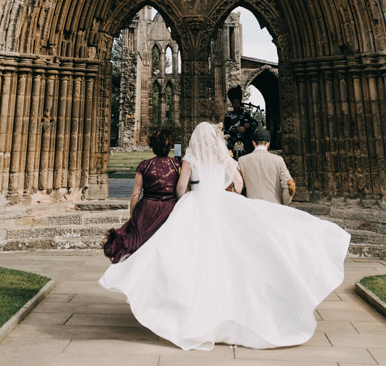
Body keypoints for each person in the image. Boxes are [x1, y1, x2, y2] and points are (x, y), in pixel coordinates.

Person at [100, 121, 350, 351]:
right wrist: (224, 191)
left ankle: (188, 309)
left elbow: (180, 187)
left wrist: (187, 197)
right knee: (229, 258)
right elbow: (239, 183)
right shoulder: (222, 156)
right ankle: (232, 311)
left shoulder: (190, 157)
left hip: (196, 203)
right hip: (220, 202)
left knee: (187, 257)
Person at [103, 128, 180, 263]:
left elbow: (135, 194)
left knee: (141, 247)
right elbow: (181, 190)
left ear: (152, 146)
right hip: (170, 208)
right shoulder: (176, 165)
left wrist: (133, 216)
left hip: (147, 210)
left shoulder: (145, 165)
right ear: (169, 146)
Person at [238, 127, 296, 205]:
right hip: (274, 206)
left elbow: (236, 183)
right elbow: (289, 185)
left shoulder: (242, 160)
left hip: (252, 207)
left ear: (253, 143)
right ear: (268, 144)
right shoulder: (278, 160)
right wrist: (284, 203)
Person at [222, 85, 257, 157]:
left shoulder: (246, 114)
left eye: (237, 102)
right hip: (233, 139)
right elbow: (226, 127)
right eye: (234, 102)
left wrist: (248, 125)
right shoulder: (228, 116)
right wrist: (237, 128)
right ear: (232, 104)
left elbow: (254, 123)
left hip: (245, 139)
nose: (236, 104)